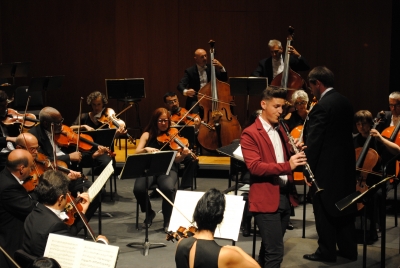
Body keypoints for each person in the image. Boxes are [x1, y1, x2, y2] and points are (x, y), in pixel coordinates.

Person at [240, 87, 306, 267]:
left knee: (268, 249)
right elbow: (255, 167)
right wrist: (288, 165)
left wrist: (294, 149)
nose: (280, 111)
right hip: (265, 198)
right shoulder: (250, 133)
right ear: (263, 104)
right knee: (276, 252)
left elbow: (279, 155)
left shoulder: (281, 129)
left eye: (282, 107)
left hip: (284, 195)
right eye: (276, 106)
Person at [302, 66, 357, 262]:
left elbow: (315, 143)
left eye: (311, 86)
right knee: (344, 207)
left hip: (326, 169)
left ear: (318, 83)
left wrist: (307, 172)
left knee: (324, 209)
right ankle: (349, 249)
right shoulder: (345, 102)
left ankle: (326, 251)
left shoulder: (322, 107)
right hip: (346, 167)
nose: (311, 91)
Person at [28, 107, 104, 221]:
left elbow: (77, 157)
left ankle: (79, 222)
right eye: (57, 122)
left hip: (69, 173)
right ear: (45, 123)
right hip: (52, 178)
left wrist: (93, 156)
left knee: (97, 192)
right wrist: (68, 157)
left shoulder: (62, 133)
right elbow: (43, 160)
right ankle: (69, 225)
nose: (61, 125)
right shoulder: (34, 136)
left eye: (61, 121)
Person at [22, 170, 109, 257]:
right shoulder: (55, 226)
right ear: (60, 199)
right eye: (67, 194)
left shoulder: (33, 214)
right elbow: (75, 252)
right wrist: (102, 242)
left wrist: (82, 212)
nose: (69, 197)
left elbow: (69, 233)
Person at [133, 107, 191, 232]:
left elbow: (177, 160)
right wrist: (146, 149)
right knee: (138, 189)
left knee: (168, 188)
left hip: (168, 169)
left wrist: (184, 155)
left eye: (166, 120)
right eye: (160, 121)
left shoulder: (173, 135)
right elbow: (137, 152)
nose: (164, 123)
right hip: (149, 168)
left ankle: (167, 219)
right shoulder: (147, 135)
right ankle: (149, 213)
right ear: (155, 121)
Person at [175, 188, 260, 268]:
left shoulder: (181, 243)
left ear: (196, 216)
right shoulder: (226, 254)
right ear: (220, 219)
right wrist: (238, 250)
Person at [0, 149, 37, 268]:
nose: (32, 171)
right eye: (31, 167)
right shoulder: (8, 187)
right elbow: (30, 207)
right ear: (21, 168)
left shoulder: (5, 175)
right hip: (10, 241)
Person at [163, 92, 198, 189]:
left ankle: (184, 187)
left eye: (175, 101)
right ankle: (163, 186)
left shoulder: (184, 112)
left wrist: (196, 124)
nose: (174, 104)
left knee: (192, 159)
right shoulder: (164, 116)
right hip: (169, 147)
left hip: (181, 146)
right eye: (170, 102)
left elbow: (194, 130)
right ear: (166, 104)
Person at [177, 48, 228, 114]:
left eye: (205, 56)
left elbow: (224, 79)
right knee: (194, 116)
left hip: (211, 99)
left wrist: (221, 67)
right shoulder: (190, 71)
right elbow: (180, 85)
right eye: (202, 57)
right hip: (196, 99)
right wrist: (186, 91)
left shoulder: (211, 68)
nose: (205, 58)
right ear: (196, 58)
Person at [0, 90, 19, 171]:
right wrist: (8, 139)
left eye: (6, 104)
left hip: (14, 150)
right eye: (2, 106)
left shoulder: (9, 115)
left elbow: (16, 133)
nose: (6, 108)